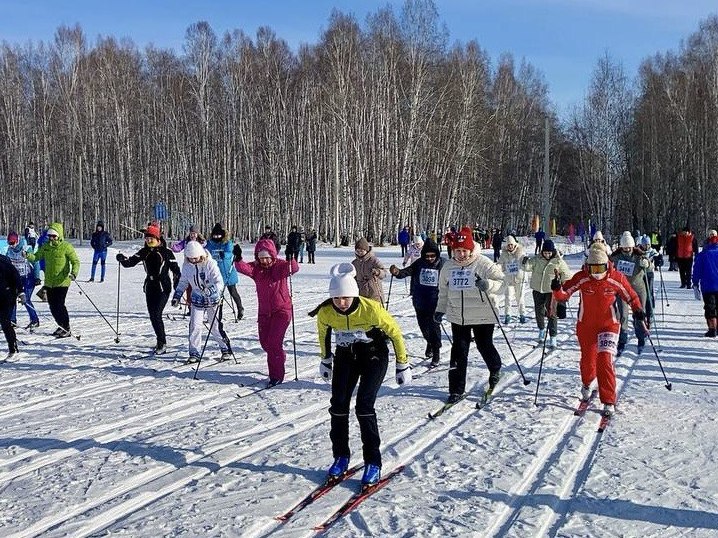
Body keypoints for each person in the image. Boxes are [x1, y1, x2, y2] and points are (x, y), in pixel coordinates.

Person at [311, 263, 410, 487]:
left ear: (354, 294)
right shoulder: (326, 311)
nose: (341, 303)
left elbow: (395, 332)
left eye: (345, 298)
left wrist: (402, 364)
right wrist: (325, 359)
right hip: (346, 356)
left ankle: (373, 462)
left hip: (374, 355)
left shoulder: (371, 308)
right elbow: (323, 334)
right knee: (338, 406)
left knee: (364, 406)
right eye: (337, 299)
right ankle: (341, 456)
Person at [551, 244, 646, 416]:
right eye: (592, 267)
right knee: (588, 360)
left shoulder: (615, 277)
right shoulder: (582, 277)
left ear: (606, 265)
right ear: (587, 266)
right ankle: (587, 383)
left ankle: (608, 400)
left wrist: (638, 309)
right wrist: (557, 288)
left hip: (608, 325)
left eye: (599, 267)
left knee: (604, 360)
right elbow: (564, 294)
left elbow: (630, 295)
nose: (596, 272)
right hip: (586, 326)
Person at [435, 227, 505, 403]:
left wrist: (488, 284)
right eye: (457, 250)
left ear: (470, 249)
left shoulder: (483, 263)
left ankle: (495, 368)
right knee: (459, 351)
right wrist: (440, 309)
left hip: (483, 314)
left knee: (484, 345)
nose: (460, 254)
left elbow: (502, 282)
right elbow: (443, 291)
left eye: (464, 250)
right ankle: (456, 390)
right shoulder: (448, 267)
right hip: (458, 316)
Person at [234, 238, 299, 386]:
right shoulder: (257, 269)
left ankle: (276, 375)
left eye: (267, 257)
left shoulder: (280, 266)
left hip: (282, 311)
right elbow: (243, 268)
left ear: (273, 256)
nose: (264, 261)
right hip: (264, 312)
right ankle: (279, 357)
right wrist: (238, 258)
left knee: (274, 343)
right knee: (266, 344)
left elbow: (293, 268)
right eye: (261, 258)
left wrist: (291, 257)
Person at [116, 224, 181, 355]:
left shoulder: (166, 252)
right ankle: (159, 341)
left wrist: (178, 288)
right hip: (150, 286)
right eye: (147, 238)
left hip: (163, 287)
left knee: (157, 314)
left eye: (151, 238)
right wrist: (122, 259)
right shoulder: (144, 251)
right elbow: (130, 262)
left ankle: (162, 343)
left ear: (158, 238)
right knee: (153, 316)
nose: (148, 240)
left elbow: (176, 271)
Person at [172, 241, 233, 363]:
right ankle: (194, 352)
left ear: (200, 254)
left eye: (195, 258)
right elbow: (183, 281)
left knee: (215, 326)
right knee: (194, 326)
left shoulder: (210, 264)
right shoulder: (187, 265)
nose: (193, 260)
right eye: (190, 258)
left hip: (213, 300)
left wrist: (211, 290)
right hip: (197, 299)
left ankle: (225, 348)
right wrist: (177, 295)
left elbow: (219, 282)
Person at [389, 238, 445, 365]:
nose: (430, 258)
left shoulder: (443, 264)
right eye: (427, 256)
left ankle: (436, 351)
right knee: (424, 327)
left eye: (433, 256)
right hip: (420, 301)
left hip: (436, 301)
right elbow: (406, 272)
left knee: (434, 327)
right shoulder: (419, 263)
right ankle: (430, 343)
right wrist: (397, 272)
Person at [25, 222, 79, 338]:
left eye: (54, 236)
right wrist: (27, 255)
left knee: (59, 304)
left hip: (62, 281)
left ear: (59, 235)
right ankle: (61, 325)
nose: (51, 238)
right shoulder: (46, 247)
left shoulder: (66, 246)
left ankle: (66, 327)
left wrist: (74, 273)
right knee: (52, 306)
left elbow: (75, 261)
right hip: (49, 282)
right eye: (50, 236)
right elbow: (36, 257)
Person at [522, 239, 572, 348]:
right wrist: (524, 261)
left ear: (553, 251)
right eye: (545, 252)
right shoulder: (536, 259)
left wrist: (561, 282)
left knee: (552, 313)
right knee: (539, 311)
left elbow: (567, 275)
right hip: (537, 289)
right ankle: (541, 329)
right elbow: (527, 267)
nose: (547, 255)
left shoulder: (558, 261)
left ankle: (553, 337)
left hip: (551, 290)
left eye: (549, 253)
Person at [609, 232, 651, 355]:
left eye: (629, 247)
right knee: (623, 315)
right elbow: (608, 266)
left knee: (639, 314)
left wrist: (647, 264)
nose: (627, 250)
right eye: (624, 247)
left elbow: (649, 267)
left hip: (638, 288)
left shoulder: (639, 255)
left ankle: (641, 338)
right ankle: (622, 339)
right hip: (622, 289)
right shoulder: (616, 256)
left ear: (633, 246)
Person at [206, 223, 244, 321]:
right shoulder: (210, 243)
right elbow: (206, 252)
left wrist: (224, 254)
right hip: (216, 273)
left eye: (218, 235)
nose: (216, 237)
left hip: (228, 272)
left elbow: (229, 253)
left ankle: (240, 308)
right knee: (218, 295)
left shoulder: (227, 243)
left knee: (233, 292)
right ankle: (218, 315)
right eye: (215, 235)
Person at [5, 231, 40, 329]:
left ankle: (34, 320)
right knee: (12, 298)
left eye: (13, 243)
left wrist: (37, 277)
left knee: (26, 299)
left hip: (28, 277)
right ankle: (12, 320)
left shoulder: (26, 248)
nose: (11, 245)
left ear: (17, 241)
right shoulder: (9, 250)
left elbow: (35, 262)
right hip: (16, 279)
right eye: (9, 243)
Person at [692, 229, 718, 337]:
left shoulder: (703, 254)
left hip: (708, 286)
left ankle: (712, 328)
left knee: (710, 307)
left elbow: (697, 269)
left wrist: (695, 282)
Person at [498, 235, 526, 324]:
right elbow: (500, 264)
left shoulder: (520, 252)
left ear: (515, 244)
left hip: (519, 278)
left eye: (511, 244)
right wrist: (497, 268)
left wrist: (526, 262)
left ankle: (522, 314)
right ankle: (507, 315)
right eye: (508, 245)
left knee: (520, 297)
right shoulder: (504, 254)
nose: (510, 246)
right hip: (508, 279)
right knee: (508, 297)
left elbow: (526, 264)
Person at [0, 252, 23, 359]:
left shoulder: (4, 261)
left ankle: (12, 347)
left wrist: (21, 292)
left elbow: (16, 276)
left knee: (5, 322)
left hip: (7, 296)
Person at [352, 238, 387, 305]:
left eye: (361, 251)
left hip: (374, 291)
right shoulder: (354, 263)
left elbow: (384, 273)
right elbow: (353, 276)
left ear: (366, 250)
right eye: (357, 251)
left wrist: (378, 272)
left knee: (375, 310)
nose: (359, 253)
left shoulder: (373, 260)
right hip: (361, 291)